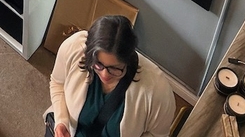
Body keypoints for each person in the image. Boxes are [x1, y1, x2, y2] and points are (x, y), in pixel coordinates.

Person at [47, 15, 176, 137]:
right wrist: (61, 121)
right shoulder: (75, 47)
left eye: (115, 68)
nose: (105, 74)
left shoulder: (158, 91)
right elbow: (58, 83)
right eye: (98, 64)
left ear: (128, 61)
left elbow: (156, 134)